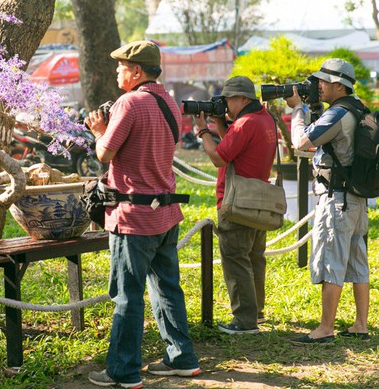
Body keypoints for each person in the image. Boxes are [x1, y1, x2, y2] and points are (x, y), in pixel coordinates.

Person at [85, 40, 200, 388]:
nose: (116, 72)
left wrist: (98, 130)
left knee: (126, 294)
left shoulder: (129, 102)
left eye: (121, 67)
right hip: (166, 214)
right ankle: (182, 358)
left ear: (136, 72)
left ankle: (123, 371)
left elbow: (105, 153)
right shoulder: (169, 102)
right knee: (167, 288)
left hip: (133, 217)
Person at [284, 58, 370, 344]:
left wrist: (298, 110)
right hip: (356, 198)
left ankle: (325, 329)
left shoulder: (338, 114)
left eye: (322, 81)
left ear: (338, 85)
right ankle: (360, 324)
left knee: (332, 260)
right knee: (357, 260)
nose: (317, 86)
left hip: (337, 200)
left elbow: (302, 143)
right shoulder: (358, 108)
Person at [194, 76, 277, 335]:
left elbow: (219, 157)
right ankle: (256, 311)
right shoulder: (264, 119)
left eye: (228, 99)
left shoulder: (245, 124)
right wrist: (220, 123)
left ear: (243, 99)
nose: (225, 104)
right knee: (254, 258)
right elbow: (235, 146)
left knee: (235, 259)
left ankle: (244, 320)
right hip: (258, 201)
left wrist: (203, 130)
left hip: (236, 202)